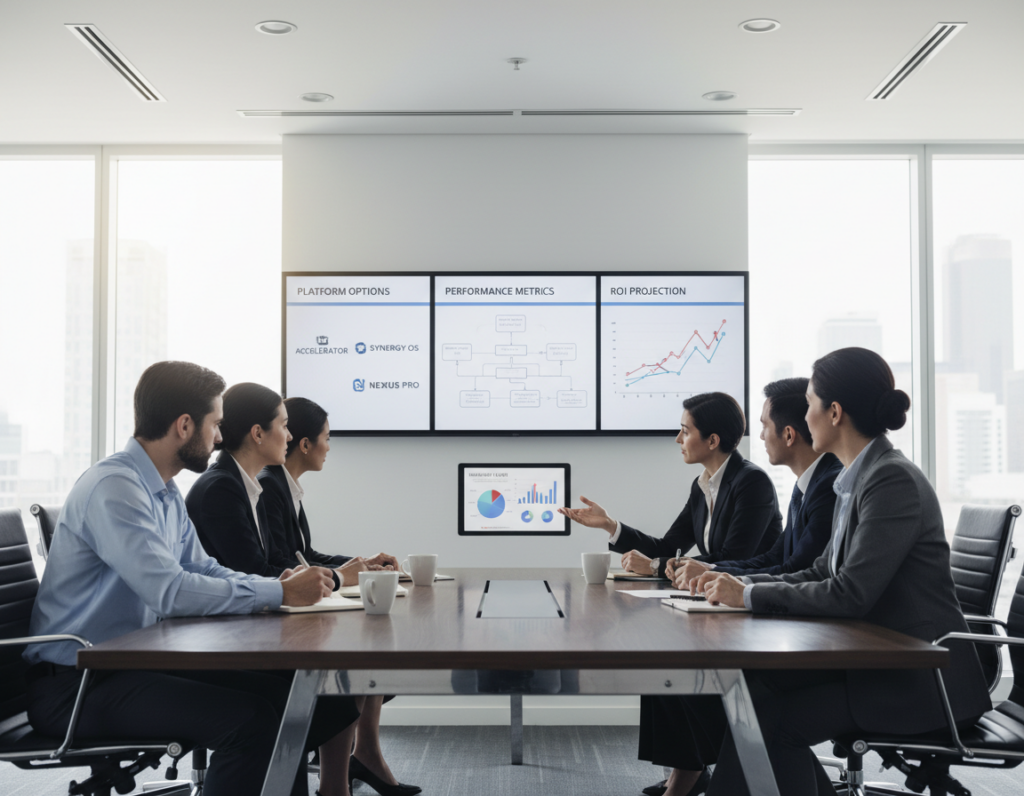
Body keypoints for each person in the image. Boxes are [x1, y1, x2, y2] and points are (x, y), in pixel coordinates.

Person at [22, 361, 359, 796]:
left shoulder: (163, 491)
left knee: (297, 698)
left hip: (132, 663)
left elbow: (200, 566)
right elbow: (170, 591)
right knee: (254, 721)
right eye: (215, 424)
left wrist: (278, 587)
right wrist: (275, 590)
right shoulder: (116, 488)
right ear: (185, 425)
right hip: (77, 685)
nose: (220, 436)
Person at [691, 348, 992, 796]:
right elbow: (819, 569)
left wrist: (749, 596)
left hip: (919, 679)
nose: (805, 413)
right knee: (751, 692)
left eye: (810, 403)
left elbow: (851, 593)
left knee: (772, 727)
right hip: (877, 659)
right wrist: (743, 586)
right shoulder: (858, 479)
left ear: (834, 413)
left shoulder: (891, 482)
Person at [187, 384, 418, 796]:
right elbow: (257, 571)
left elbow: (284, 560)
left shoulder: (246, 485)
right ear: (259, 433)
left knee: (345, 678)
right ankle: (328, 782)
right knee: (336, 681)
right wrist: (336, 577)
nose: (291, 436)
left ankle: (332, 783)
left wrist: (347, 570)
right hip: (226, 633)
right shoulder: (225, 488)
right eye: (284, 426)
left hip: (242, 623)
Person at [638, 378, 843, 796]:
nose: (759, 434)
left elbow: (801, 568)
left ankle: (723, 775)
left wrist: (729, 581)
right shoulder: (806, 489)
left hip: (810, 629)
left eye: (765, 424)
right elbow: (779, 560)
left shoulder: (804, 484)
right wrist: (717, 577)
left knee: (701, 677)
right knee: (673, 667)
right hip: (787, 613)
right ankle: (702, 775)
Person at [259, 395, 418, 796]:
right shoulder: (269, 487)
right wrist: (348, 572)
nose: (330, 447)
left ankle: (362, 758)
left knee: (370, 653)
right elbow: (279, 562)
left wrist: (361, 563)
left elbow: (305, 555)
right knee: (355, 661)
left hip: (287, 609)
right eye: (326, 437)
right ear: (305, 444)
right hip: (271, 621)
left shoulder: (285, 488)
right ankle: (347, 774)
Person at [559, 392, 782, 578]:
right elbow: (668, 548)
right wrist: (610, 525)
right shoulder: (702, 486)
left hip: (752, 600)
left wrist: (656, 566)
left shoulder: (752, 482)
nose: (678, 439)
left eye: (685, 431)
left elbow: (733, 558)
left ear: (713, 441)